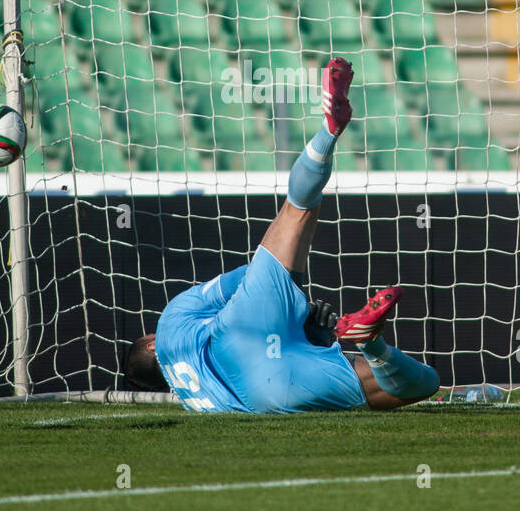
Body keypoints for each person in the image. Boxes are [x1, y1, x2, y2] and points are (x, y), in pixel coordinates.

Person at [123, 57, 440, 413]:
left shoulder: (195, 401)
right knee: (299, 208)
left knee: (421, 385)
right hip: (238, 336)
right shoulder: (170, 325)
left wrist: (310, 335)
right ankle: (329, 131)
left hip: (267, 394)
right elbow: (244, 280)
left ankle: (371, 345)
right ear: (151, 346)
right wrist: (290, 299)